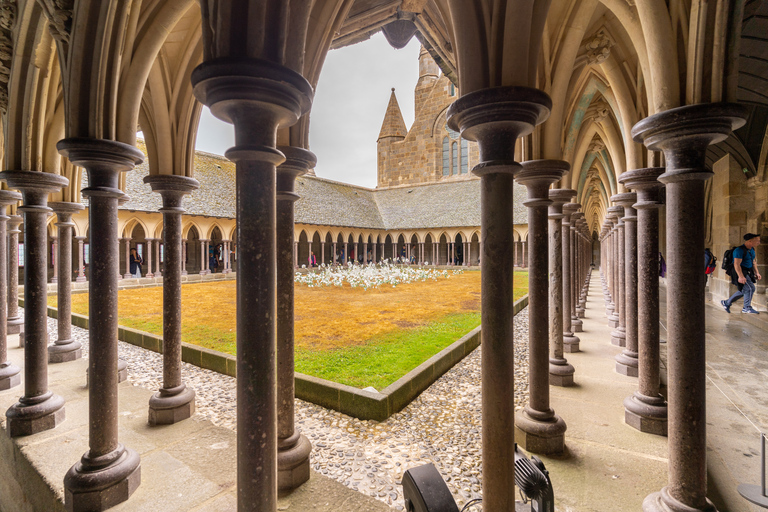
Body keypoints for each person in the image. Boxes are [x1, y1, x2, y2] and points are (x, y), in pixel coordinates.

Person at [721, 233, 762, 314]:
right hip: (739, 271)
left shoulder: (751, 249)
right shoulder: (739, 250)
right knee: (750, 288)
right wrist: (741, 276)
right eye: (757, 241)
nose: (759, 243)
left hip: (747, 271)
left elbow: (753, 261)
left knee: (744, 290)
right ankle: (746, 308)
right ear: (750, 241)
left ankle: (726, 303)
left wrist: (757, 272)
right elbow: (736, 264)